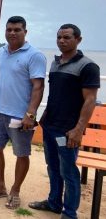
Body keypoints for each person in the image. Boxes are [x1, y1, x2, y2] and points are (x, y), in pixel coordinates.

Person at [29, 24, 100, 219]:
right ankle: (53, 203)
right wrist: (43, 117)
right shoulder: (56, 63)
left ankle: (69, 213)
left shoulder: (88, 66)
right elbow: (56, 94)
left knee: (68, 172)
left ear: (78, 39)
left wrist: (78, 129)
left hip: (67, 131)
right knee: (52, 167)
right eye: (59, 37)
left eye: (67, 37)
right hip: (50, 126)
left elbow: (90, 100)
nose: (62, 41)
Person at [0, 16, 46, 209]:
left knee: (21, 154)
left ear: (26, 31)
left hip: (20, 116)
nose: (12, 33)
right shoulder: (1, 52)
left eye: (17, 29)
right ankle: (0, 185)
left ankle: (15, 190)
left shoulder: (35, 55)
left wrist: (30, 114)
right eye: (9, 30)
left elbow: (38, 87)